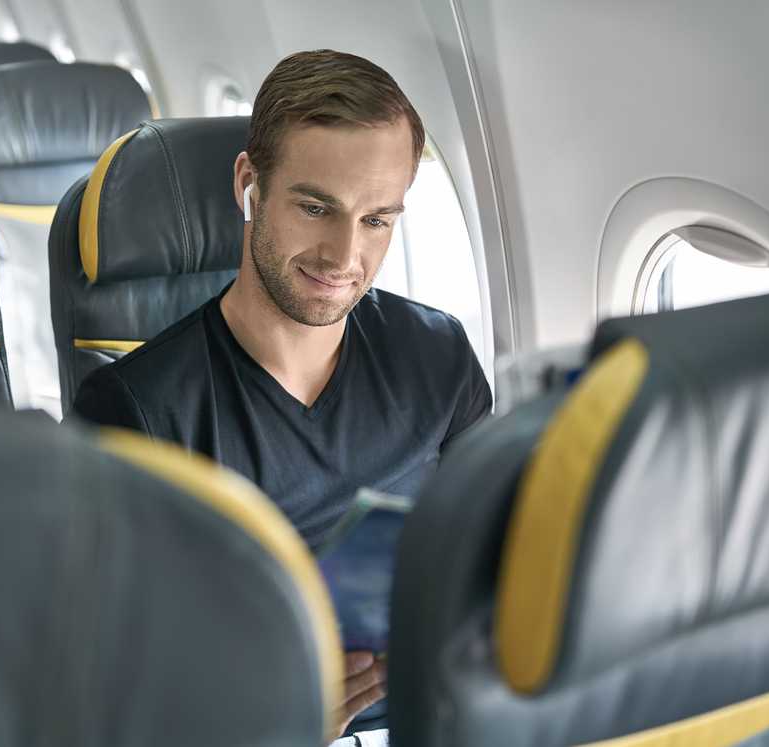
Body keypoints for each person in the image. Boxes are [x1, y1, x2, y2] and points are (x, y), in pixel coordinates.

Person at [72, 49, 492, 742]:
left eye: (376, 220)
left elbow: (491, 560)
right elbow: (109, 685)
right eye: (314, 206)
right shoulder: (135, 411)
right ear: (250, 185)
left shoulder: (439, 354)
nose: (343, 255)